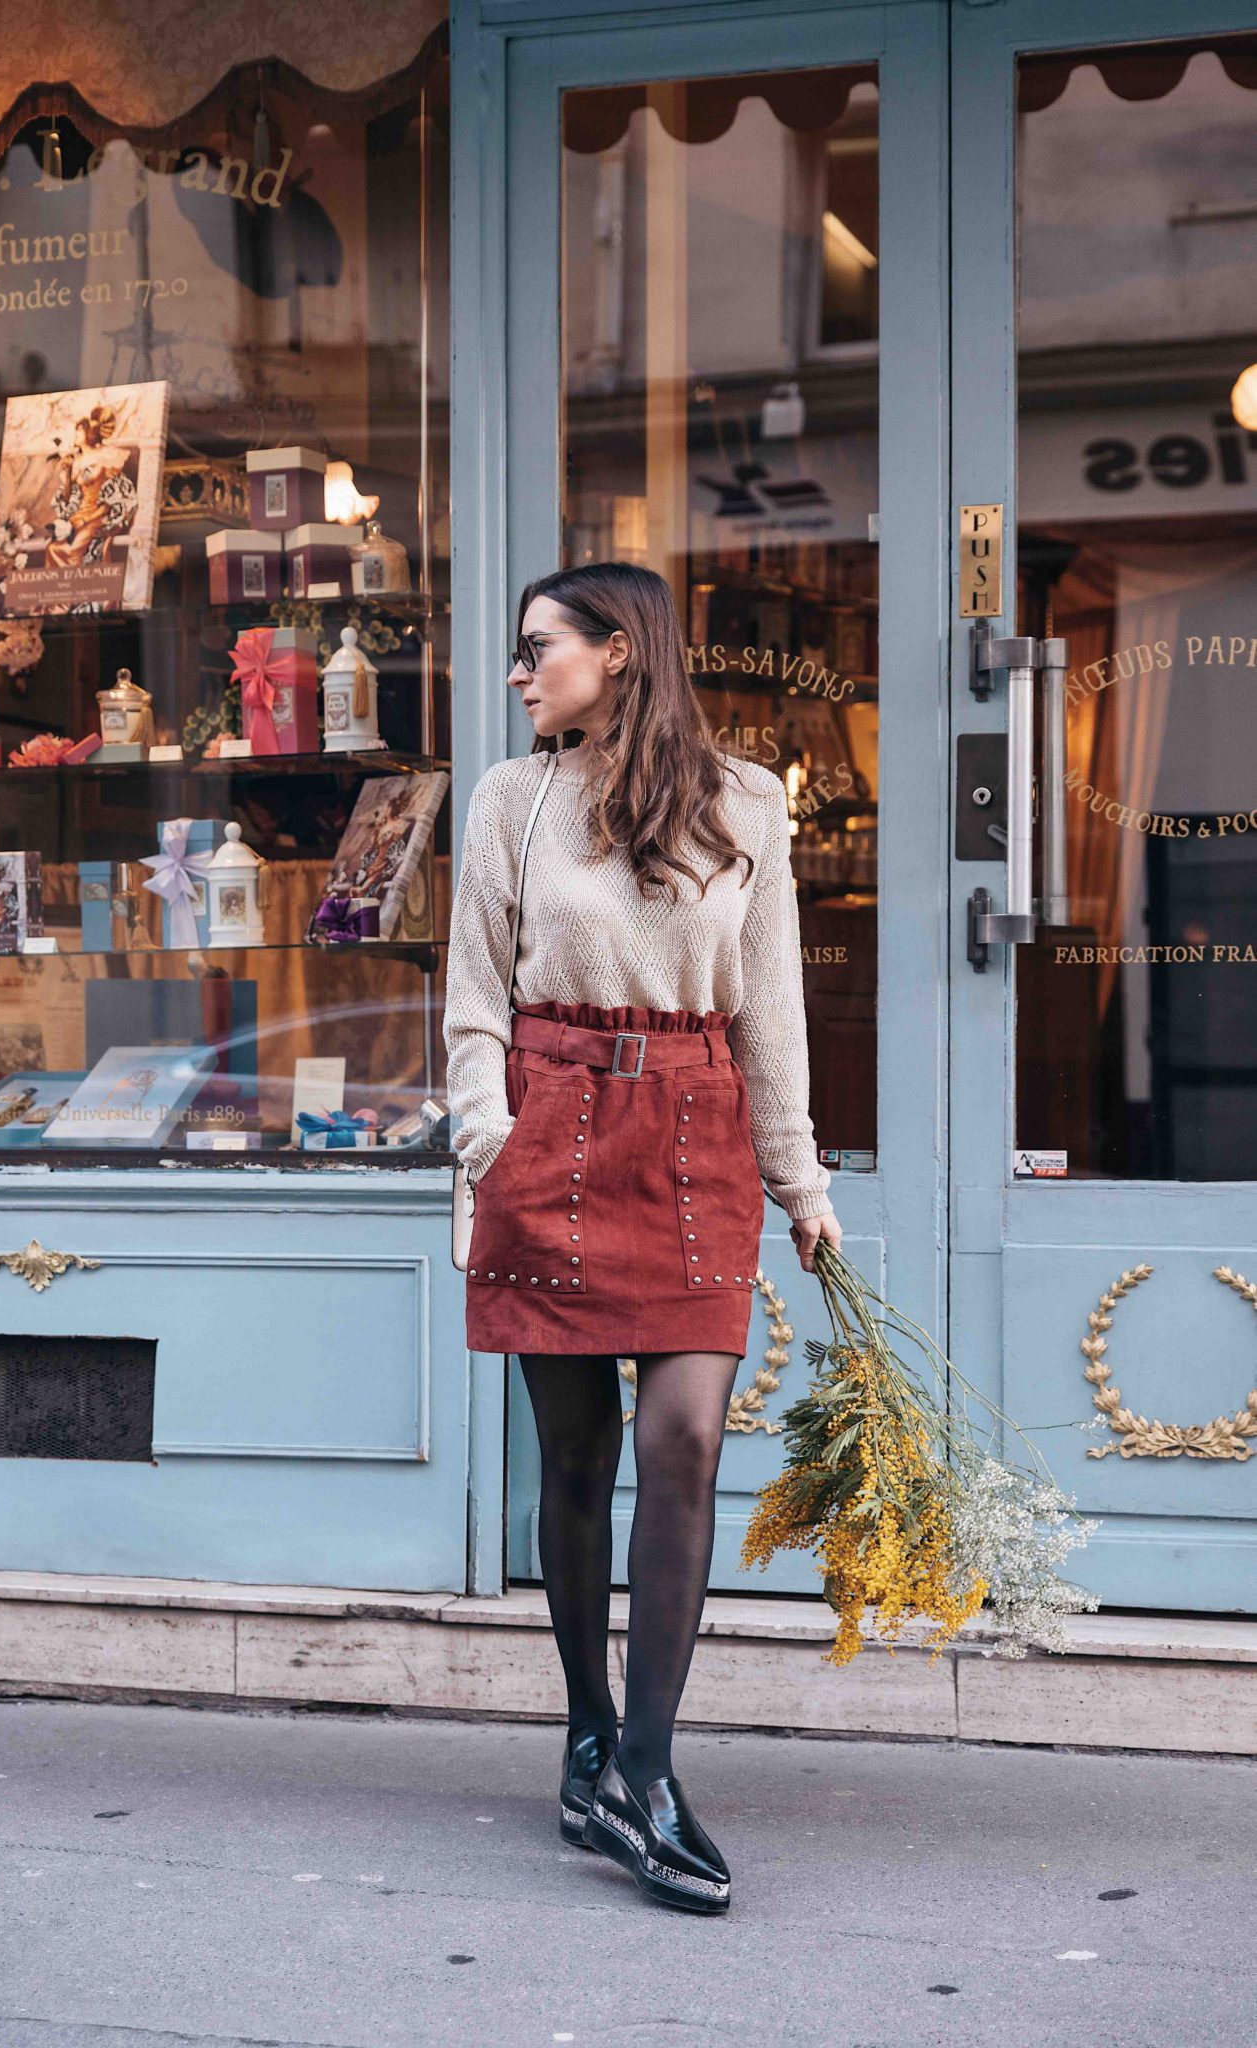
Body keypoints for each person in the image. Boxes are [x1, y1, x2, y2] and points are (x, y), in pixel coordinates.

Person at [442, 561, 841, 1915]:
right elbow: (473, 999)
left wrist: (799, 1181)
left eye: (534, 647)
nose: (516, 671)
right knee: (575, 1454)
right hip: (546, 1122)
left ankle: (650, 1769)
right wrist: (485, 1141)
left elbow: (768, 1003)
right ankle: (585, 1729)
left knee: (682, 1440)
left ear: (617, 651)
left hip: (692, 1133)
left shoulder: (747, 801)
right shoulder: (512, 797)